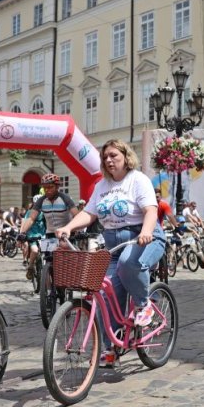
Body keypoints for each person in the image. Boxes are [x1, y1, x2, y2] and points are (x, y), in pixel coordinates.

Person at [56, 139, 166, 368]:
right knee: (105, 296)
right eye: (105, 157)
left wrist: (146, 231)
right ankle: (111, 348)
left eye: (114, 155)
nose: (109, 160)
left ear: (126, 157)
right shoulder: (102, 186)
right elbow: (89, 213)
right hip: (112, 244)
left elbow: (151, 210)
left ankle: (144, 305)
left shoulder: (138, 180)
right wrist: (69, 227)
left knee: (129, 263)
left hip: (144, 237)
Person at [19, 173, 78, 279]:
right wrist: (22, 233)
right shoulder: (42, 200)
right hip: (50, 234)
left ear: (57, 187)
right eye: (45, 188)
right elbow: (31, 218)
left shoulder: (65, 198)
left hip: (65, 234)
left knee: (66, 261)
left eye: (50, 187)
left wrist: (75, 229)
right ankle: (48, 290)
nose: (47, 190)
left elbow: (76, 215)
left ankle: (67, 283)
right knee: (48, 262)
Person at [21, 195, 46, 271]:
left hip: (43, 235)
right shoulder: (29, 212)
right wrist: (21, 233)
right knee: (35, 250)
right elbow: (24, 223)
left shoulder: (45, 212)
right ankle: (31, 266)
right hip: (32, 235)